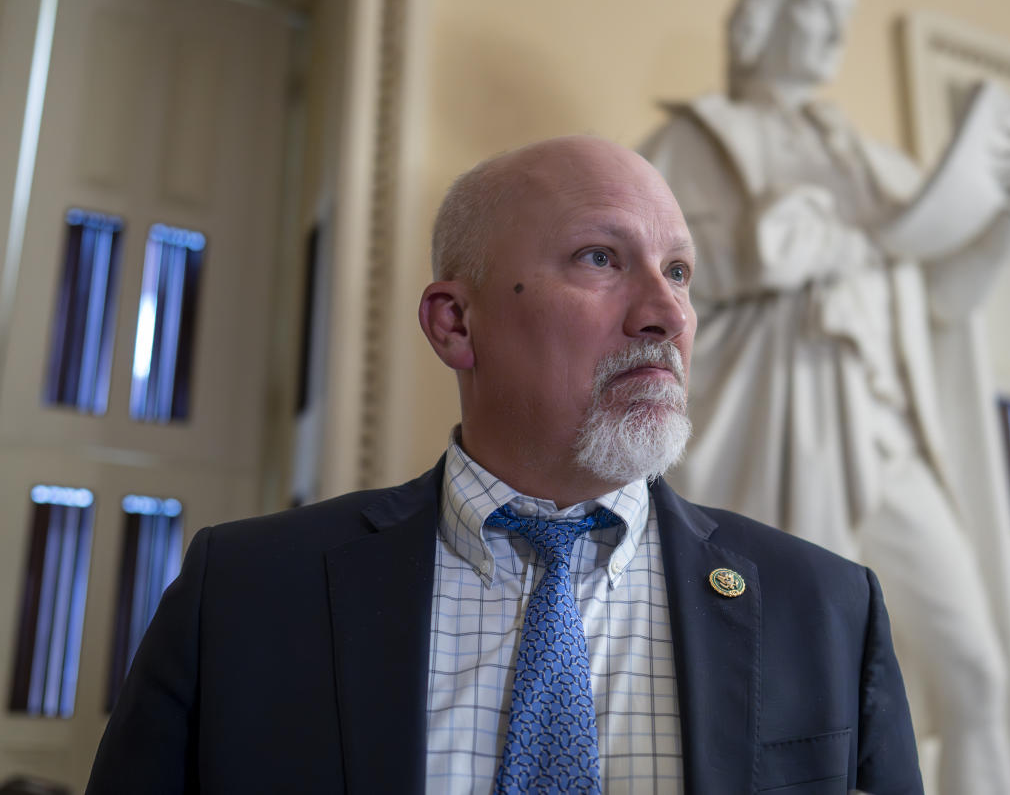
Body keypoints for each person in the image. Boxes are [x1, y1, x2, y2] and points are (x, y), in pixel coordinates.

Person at [85, 136, 923, 794]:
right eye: (601, 258)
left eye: (678, 272)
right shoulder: (243, 592)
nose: (667, 313)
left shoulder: (828, 609)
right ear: (455, 324)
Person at [641, 0, 1010, 794]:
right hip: (771, 433)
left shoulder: (871, 163)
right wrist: (779, 241)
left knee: (976, 671)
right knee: (780, 690)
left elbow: (942, 298)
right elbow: (662, 280)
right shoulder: (694, 144)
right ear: (763, 17)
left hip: (886, 437)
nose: (834, 32)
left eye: (845, 16)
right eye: (818, 10)